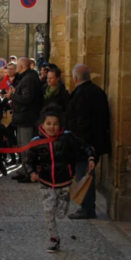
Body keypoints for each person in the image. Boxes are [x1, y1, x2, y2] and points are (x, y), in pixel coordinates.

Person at [27, 106, 96, 251]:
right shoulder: (37, 142)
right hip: (46, 183)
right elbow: (29, 161)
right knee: (49, 211)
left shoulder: (67, 137)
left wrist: (90, 157)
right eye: (49, 123)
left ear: (60, 125)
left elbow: (85, 147)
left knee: (61, 213)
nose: (52, 127)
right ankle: (54, 239)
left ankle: (63, 203)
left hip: (65, 183)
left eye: (55, 124)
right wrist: (32, 172)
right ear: (42, 125)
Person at [66, 64, 110, 220]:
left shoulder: (82, 94)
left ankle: (87, 208)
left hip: (85, 143)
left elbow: (81, 122)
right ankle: (86, 206)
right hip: (95, 140)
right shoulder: (97, 91)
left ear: (75, 78)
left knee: (84, 175)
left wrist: (80, 144)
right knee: (86, 174)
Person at [3, 57, 43, 183]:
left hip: (27, 117)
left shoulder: (29, 78)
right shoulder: (26, 77)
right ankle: (24, 169)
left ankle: (29, 172)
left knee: (26, 146)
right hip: (23, 117)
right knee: (22, 145)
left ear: (20, 67)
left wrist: (12, 96)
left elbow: (27, 99)